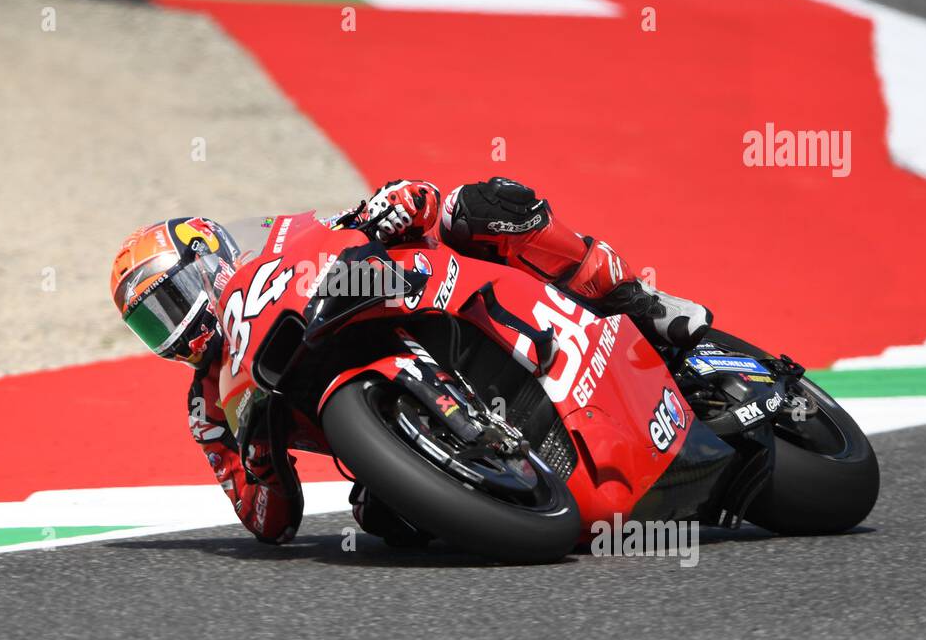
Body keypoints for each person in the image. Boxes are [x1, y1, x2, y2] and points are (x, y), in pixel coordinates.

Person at [108, 178, 711, 545]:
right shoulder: (207, 409)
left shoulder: (282, 243)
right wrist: (261, 464)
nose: (176, 326)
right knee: (384, 522)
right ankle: (505, 484)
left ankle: (643, 301)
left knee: (482, 206)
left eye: (174, 299)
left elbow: (402, 203)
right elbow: (268, 522)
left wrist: (391, 207)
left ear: (211, 258)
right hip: (381, 427)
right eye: (153, 323)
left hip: (394, 301)